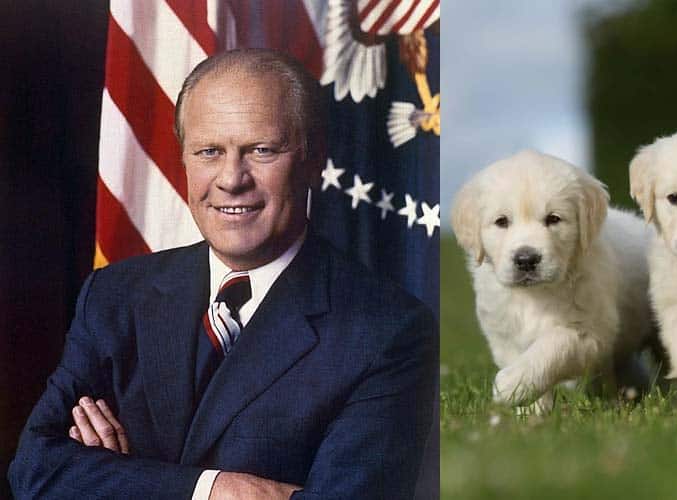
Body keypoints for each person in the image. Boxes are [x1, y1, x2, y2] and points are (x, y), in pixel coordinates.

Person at [8, 49, 436, 499]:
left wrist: (114, 478)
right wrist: (215, 490)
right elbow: (36, 471)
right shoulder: (114, 295)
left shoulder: (388, 332)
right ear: (185, 160)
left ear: (314, 161)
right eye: (210, 151)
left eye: (262, 150)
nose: (232, 179)